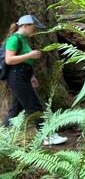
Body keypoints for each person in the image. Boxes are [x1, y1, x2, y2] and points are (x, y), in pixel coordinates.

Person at [2, 15, 68, 146]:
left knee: (16, 110)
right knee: (34, 106)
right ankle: (47, 136)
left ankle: (3, 136)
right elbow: (9, 60)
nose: (35, 30)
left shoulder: (23, 39)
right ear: (25, 25)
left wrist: (31, 76)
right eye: (34, 27)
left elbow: (25, 62)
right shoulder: (14, 39)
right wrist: (30, 54)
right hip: (16, 77)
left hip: (23, 76)